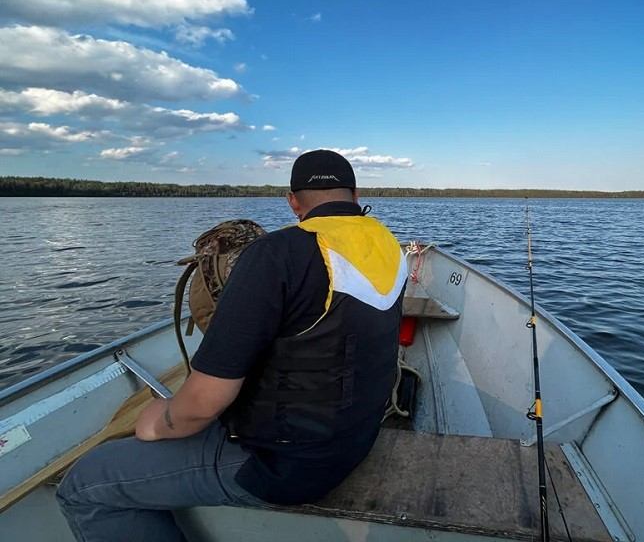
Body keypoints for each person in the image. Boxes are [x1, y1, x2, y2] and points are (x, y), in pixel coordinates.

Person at [57, 150, 408, 542]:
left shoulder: (276, 254)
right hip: (354, 441)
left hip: (282, 466)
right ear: (355, 195)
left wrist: (159, 421)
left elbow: (202, 405)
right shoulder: (387, 245)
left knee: (84, 485)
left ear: (292, 201)